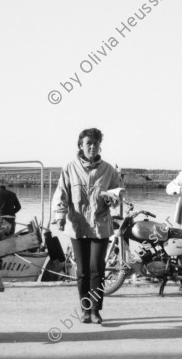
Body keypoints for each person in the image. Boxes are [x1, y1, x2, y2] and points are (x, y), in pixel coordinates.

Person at [51, 128, 122, 324]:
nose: (92, 147)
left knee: (97, 268)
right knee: (82, 270)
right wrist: (59, 215)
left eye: (96, 143)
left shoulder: (109, 170)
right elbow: (61, 194)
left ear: (100, 145)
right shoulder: (69, 168)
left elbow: (118, 195)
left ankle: (96, 310)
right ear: (81, 146)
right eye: (88, 143)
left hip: (100, 226)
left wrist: (113, 201)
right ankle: (85, 309)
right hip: (77, 225)